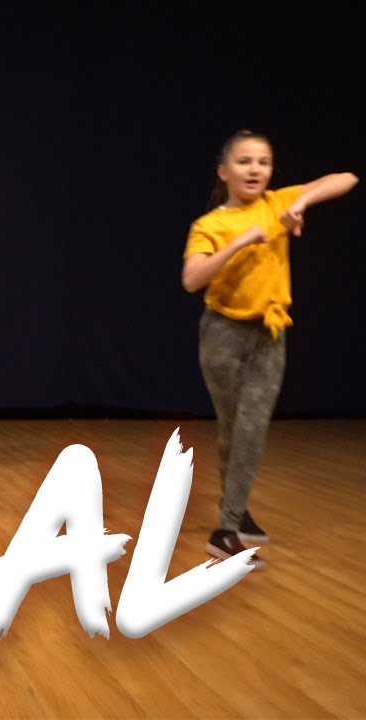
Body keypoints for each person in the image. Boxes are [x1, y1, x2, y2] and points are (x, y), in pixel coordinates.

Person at [181, 129, 356, 567]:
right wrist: (239, 243)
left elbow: (346, 178)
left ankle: (227, 526)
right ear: (224, 171)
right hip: (223, 335)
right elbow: (192, 279)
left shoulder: (277, 203)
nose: (255, 169)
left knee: (252, 427)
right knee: (232, 428)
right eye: (244, 161)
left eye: (263, 161)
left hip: (270, 335)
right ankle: (235, 510)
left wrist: (301, 202)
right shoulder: (210, 225)